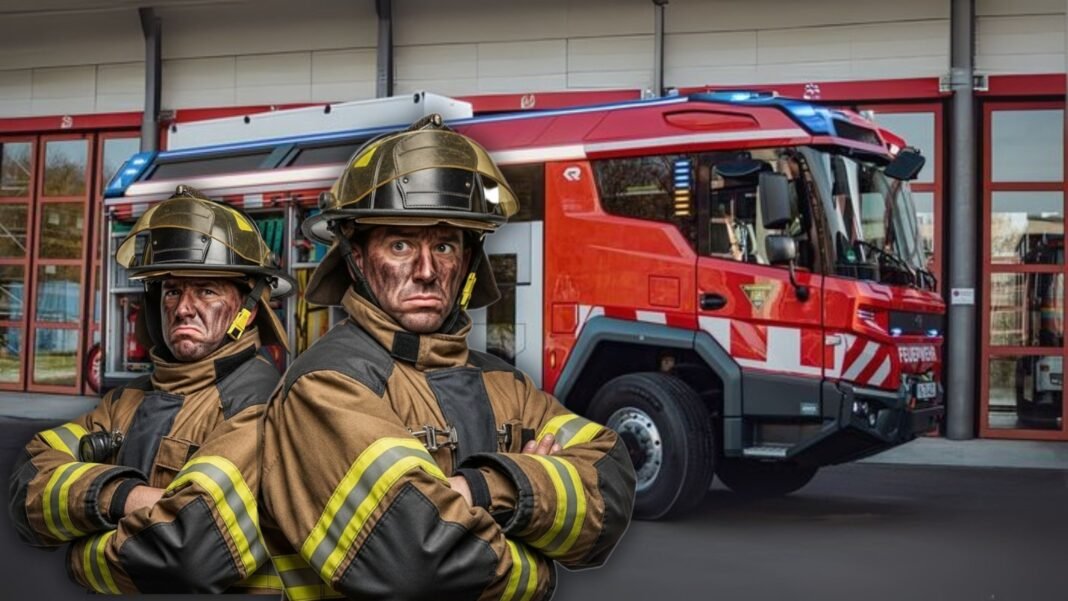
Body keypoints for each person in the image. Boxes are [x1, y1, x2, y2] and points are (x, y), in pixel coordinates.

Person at [259, 115, 636, 601]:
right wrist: (538, 566)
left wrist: (481, 488)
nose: (426, 271)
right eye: (400, 244)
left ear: (468, 261)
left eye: (443, 245)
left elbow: (611, 488)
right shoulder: (327, 385)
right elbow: (417, 558)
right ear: (356, 257)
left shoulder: (507, 383)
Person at [7, 186, 293, 594]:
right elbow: (28, 483)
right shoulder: (127, 399)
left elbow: (189, 552)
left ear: (247, 311)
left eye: (206, 290)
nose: (182, 308)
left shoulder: (264, 402)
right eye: (173, 290)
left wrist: (78, 556)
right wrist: (122, 495)